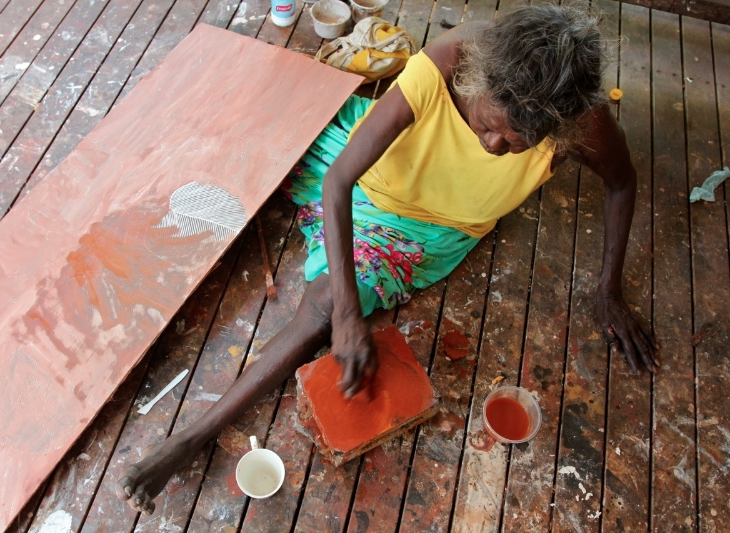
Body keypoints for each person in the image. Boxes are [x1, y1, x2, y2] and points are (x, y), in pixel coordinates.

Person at [116, 4, 657, 514]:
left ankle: (190, 438)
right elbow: (339, 181)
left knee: (325, 304)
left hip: (429, 229)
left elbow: (622, 182)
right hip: (363, 174)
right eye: (486, 124)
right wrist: (353, 318)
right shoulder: (453, 61)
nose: (493, 146)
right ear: (477, 84)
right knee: (252, 141)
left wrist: (608, 289)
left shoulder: (581, 121)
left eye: (514, 143)